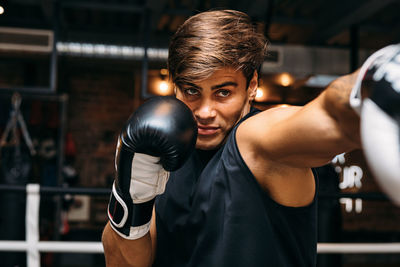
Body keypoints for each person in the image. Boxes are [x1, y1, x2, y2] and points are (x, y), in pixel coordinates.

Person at [102, 9, 400, 267]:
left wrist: (372, 82)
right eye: (192, 91)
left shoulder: (258, 140)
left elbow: (328, 117)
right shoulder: (164, 154)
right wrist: (132, 195)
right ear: (175, 87)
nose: (204, 112)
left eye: (223, 93)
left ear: (252, 86)